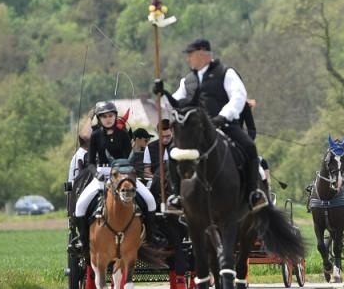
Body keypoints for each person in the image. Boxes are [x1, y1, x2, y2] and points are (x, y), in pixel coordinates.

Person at [153, 38, 265, 212]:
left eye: (191, 54)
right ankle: (177, 197)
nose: (188, 58)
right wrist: (161, 94)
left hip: (224, 125)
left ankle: (253, 194)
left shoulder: (225, 73)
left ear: (202, 54)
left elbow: (238, 96)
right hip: (196, 131)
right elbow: (173, 104)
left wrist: (223, 116)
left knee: (249, 147)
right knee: (174, 153)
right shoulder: (188, 80)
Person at [71, 100, 144, 254]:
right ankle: (84, 241)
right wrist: (96, 174)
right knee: (80, 206)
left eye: (111, 115)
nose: (108, 119)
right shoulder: (95, 136)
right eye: (104, 116)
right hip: (102, 175)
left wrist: (125, 173)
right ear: (99, 119)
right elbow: (90, 162)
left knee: (149, 200)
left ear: (115, 116)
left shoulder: (123, 135)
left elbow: (128, 159)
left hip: (122, 174)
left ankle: (151, 236)